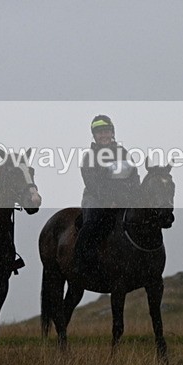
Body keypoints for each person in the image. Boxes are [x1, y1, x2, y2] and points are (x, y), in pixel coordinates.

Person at [74, 115, 140, 275]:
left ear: (112, 133)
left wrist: (132, 197)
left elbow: (134, 177)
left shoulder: (123, 153)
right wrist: (108, 200)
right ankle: (81, 259)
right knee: (92, 222)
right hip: (95, 199)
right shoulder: (89, 157)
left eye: (106, 131)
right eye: (99, 133)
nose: (103, 135)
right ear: (94, 136)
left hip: (122, 199)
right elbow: (92, 183)